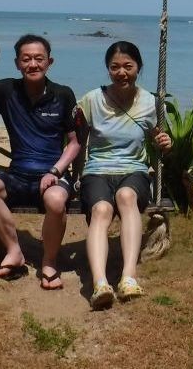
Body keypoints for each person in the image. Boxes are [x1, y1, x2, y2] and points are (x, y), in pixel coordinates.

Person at [0, 34, 79, 290]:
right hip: (18, 175)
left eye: (39, 59)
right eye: (26, 59)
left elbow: (75, 143)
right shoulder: (6, 90)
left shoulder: (63, 94)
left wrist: (55, 171)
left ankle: (49, 261)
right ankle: (14, 251)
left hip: (52, 175)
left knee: (56, 200)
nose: (33, 64)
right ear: (17, 64)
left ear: (50, 62)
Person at [76, 40, 172, 310]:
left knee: (126, 196)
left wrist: (165, 143)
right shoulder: (91, 100)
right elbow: (77, 142)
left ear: (138, 67)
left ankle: (128, 277)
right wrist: (74, 176)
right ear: (107, 69)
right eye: (114, 67)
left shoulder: (152, 103)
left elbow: (161, 139)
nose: (121, 72)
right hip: (97, 170)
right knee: (102, 209)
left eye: (128, 66)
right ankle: (100, 283)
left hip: (134, 170)